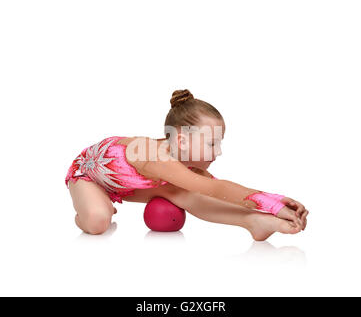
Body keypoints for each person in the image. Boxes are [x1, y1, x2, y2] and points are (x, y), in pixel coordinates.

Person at [65, 89, 309, 241]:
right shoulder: (154, 157)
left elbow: (212, 194)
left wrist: (267, 211)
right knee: (98, 221)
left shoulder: (183, 162)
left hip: (127, 185)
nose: (219, 152)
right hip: (89, 176)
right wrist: (274, 203)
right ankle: (88, 211)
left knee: (185, 193)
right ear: (181, 140)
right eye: (212, 144)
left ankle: (253, 222)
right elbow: (217, 189)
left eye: (219, 143)